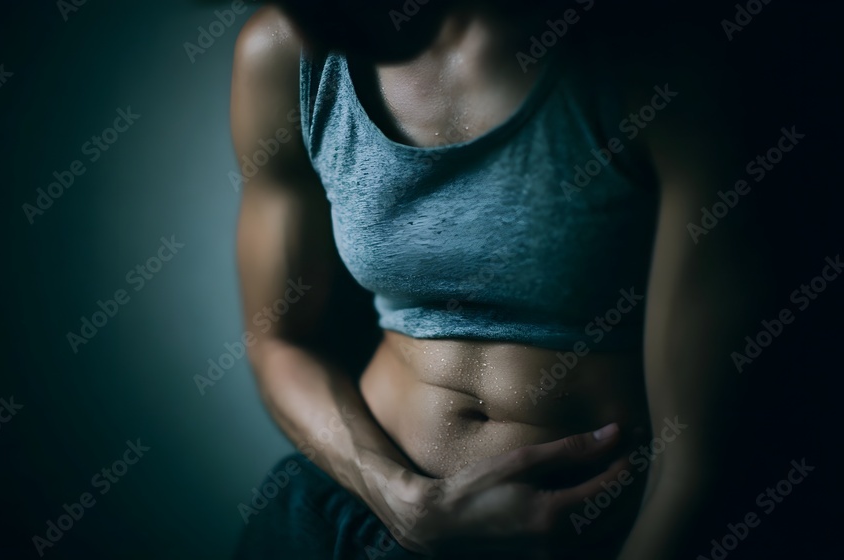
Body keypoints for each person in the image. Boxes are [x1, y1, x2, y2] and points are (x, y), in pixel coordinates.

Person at [230, 1, 763, 558]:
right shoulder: (285, 51)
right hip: (347, 519)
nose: (313, 24)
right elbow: (278, 339)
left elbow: (698, 461)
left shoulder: (655, 61)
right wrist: (400, 499)